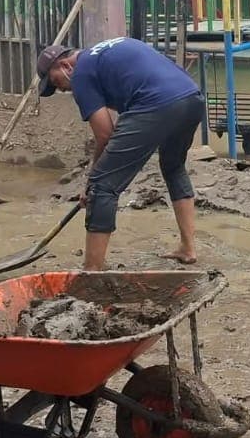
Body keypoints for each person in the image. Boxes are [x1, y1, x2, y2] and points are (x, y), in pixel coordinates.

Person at [36, 36, 206, 270]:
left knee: (103, 186)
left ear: (65, 66)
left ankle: (92, 269)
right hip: (191, 97)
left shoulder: (82, 74)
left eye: (54, 82)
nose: (60, 89)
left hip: (156, 103)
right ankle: (188, 249)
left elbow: (105, 134)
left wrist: (92, 180)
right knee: (174, 166)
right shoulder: (106, 51)